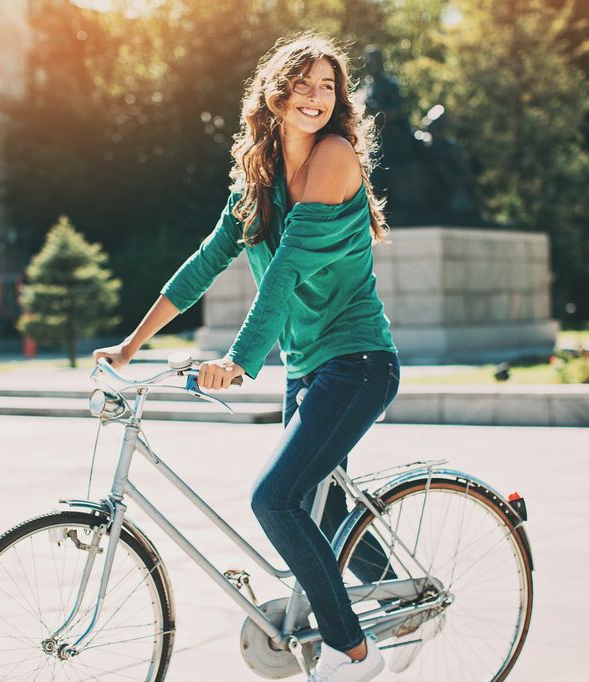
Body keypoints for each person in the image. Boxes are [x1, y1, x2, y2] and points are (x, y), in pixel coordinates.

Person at [94, 32, 399, 682]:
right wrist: (130, 345)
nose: (317, 97)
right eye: (305, 83)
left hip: (359, 361)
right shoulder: (259, 175)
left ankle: (355, 653)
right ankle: (398, 603)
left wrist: (238, 358)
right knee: (328, 509)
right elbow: (206, 263)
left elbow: (286, 268)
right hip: (310, 367)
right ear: (277, 90)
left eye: (328, 86)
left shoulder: (335, 156)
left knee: (275, 500)